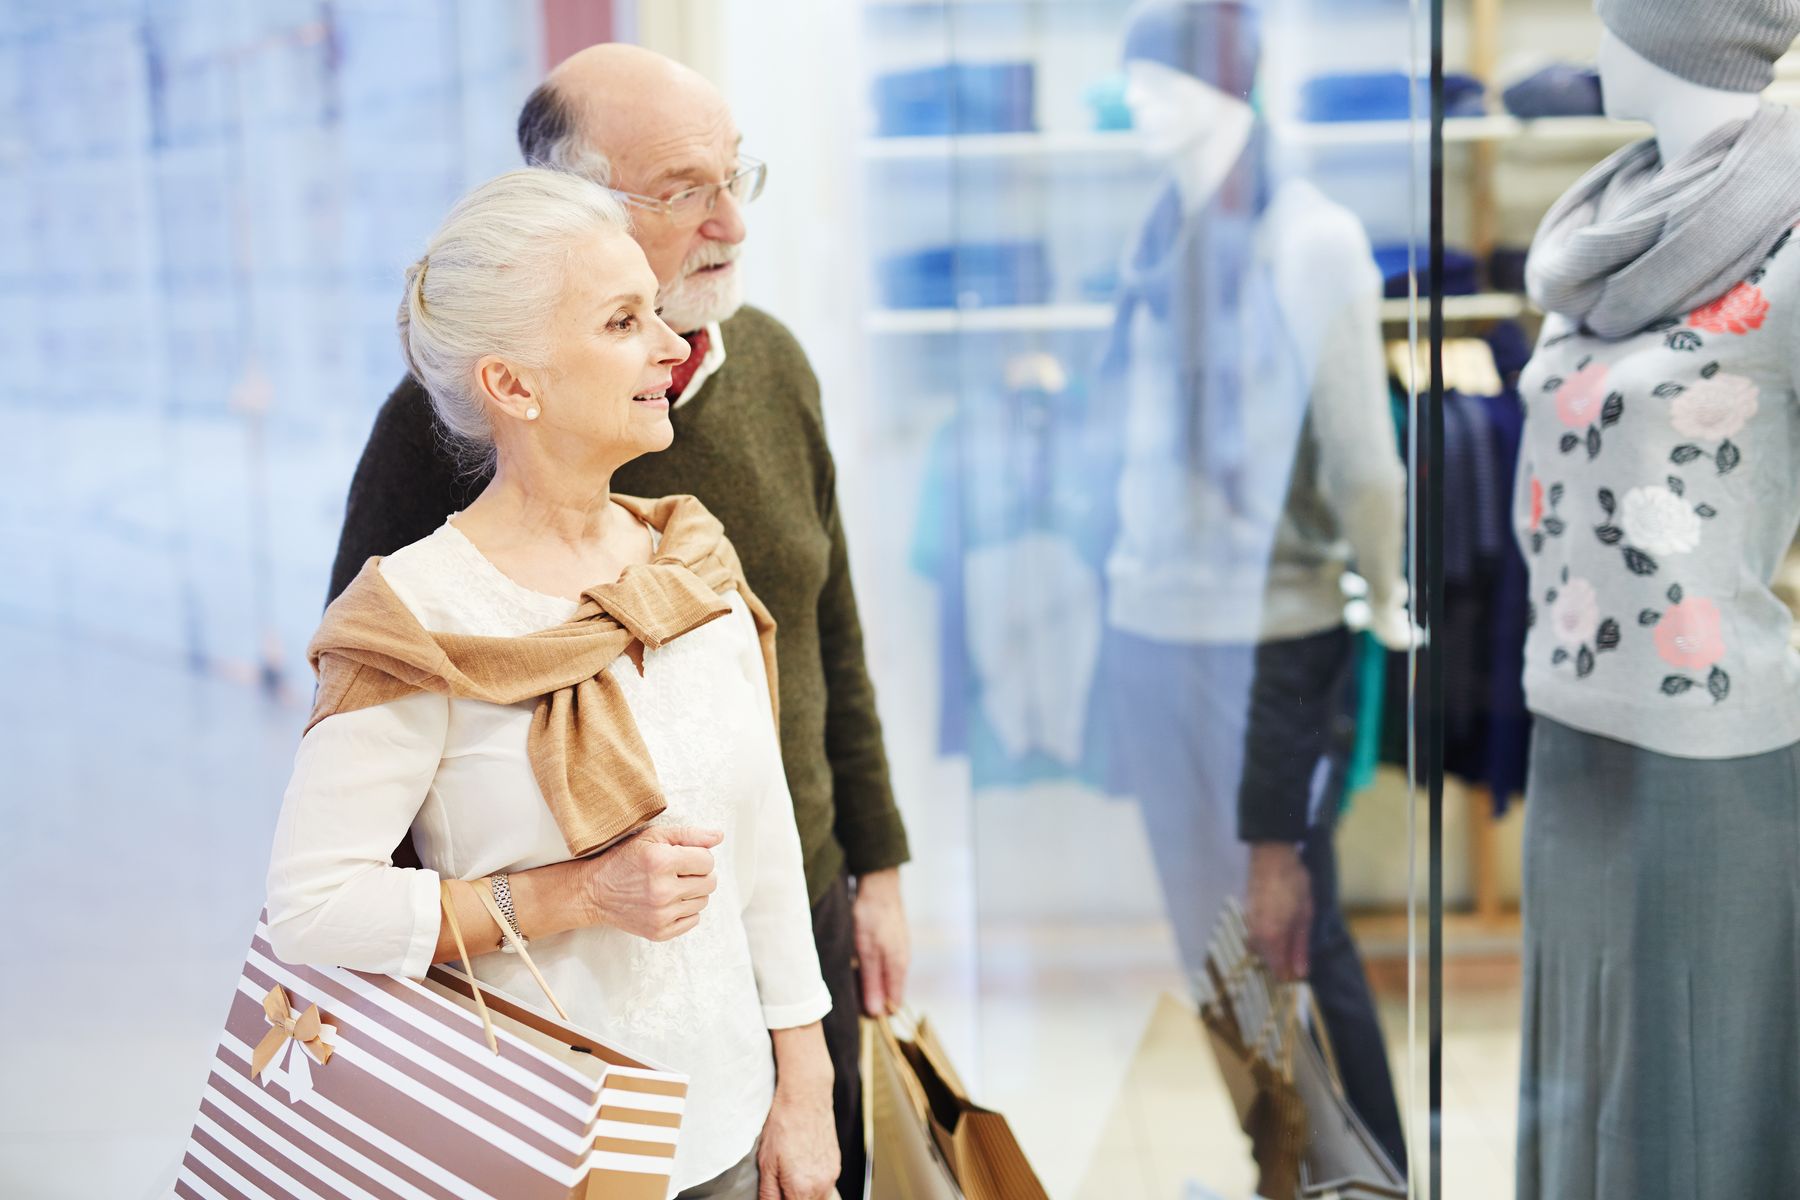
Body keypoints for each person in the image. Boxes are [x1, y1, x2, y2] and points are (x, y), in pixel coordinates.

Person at [325, 45, 909, 1194]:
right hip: (563, 991)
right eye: (685, 189)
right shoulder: (444, 431)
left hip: (795, 911)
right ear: (574, 209)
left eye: (737, 176)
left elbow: (828, 625)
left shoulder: (775, 367)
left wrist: (878, 867)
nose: (730, 220)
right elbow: (360, 742)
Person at [1096, 0, 1408, 1169]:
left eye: (1155, 77)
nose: (1133, 100)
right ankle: (1282, 1159)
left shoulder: (1305, 234)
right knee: (1207, 937)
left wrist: (1386, 591)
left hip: (1271, 633)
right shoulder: (1161, 229)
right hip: (1150, 632)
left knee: (1295, 928)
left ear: (1217, 89)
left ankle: (1373, 1173)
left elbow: (1363, 457)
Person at [1513, 1, 1800, 1194]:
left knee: (1694, 1098)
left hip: (1709, 755)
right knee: (1584, 1087)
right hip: (1571, 728)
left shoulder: (1790, 236)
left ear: (1686, 28)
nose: (1595, 28)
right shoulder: (1602, 219)